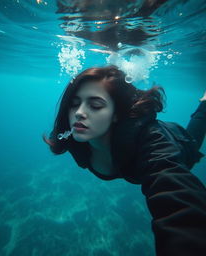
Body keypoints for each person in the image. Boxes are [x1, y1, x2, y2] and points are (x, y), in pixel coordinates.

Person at [43, 65, 206, 256]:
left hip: (174, 140)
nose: (79, 112)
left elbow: (181, 207)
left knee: (192, 143)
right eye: (74, 103)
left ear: (116, 114)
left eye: (95, 105)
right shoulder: (75, 137)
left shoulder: (154, 144)